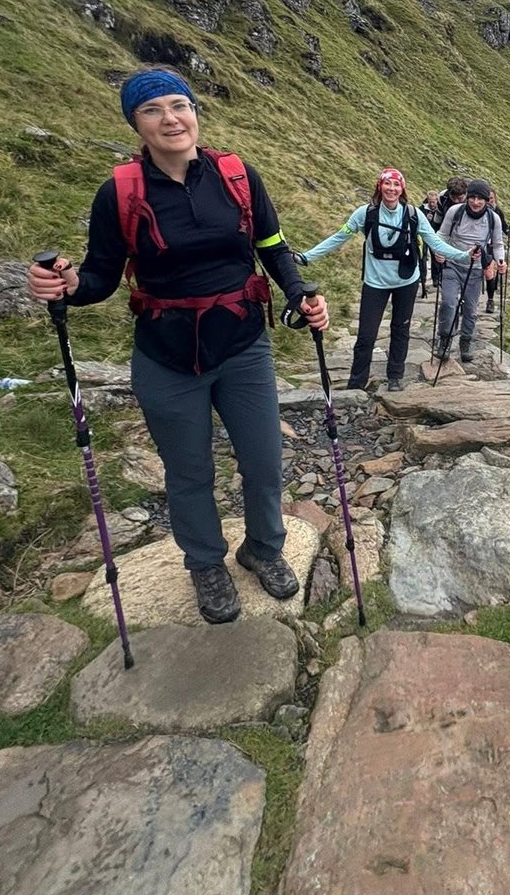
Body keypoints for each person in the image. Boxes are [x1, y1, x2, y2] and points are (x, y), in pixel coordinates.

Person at [27, 67, 328, 626]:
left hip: (242, 346)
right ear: (135, 124)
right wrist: (67, 286)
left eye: (179, 105)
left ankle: (264, 548)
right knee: (188, 471)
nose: (170, 119)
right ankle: (205, 563)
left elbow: (272, 245)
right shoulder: (120, 193)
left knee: (264, 461)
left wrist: (301, 293)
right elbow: (99, 277)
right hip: (165, 355)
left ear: (194, 112)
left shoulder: (237, 176)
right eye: (152, 110)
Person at [302, 168, 474, 393]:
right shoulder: (364, 214)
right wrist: (306, 257)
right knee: (366, 335)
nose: (391, 189)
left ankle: (395, 377)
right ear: (379, 186)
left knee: (400, 330)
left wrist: (464, 256)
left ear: (402, 189)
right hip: (375, 283)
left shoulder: (413, 214)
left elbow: (435, 242)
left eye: (396, 185)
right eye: (387, 184)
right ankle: (356, 383)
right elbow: (339, 237)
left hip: (407, 282)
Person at [437, 179, 506, 363]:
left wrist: (501, 261)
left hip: (475, 269)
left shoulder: (493, 219)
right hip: (452, 264)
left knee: (470, 309)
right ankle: (444, 339)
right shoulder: (455, 212)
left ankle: (466, 341)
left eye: (480, 198)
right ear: (467, 197)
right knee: (449, 303)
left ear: (486, 200)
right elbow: (442, 235)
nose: (475, 202)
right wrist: (438, 251)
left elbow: (498, 244)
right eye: (472, 197)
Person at [484, 189, 510, 314]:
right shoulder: (478, 211)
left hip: (492, 244)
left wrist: (508, 231)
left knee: (489, 272)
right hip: (479, 245)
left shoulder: (497, 211)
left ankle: (490, 300)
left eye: (491, 198)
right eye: (487, 198)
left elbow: (503, 225)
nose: (489, 200)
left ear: (495, 198)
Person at [419, 188, 443, 294]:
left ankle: (436, 278)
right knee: (423, 257)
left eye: (434, 202)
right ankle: (422, 277)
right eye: (430, 202)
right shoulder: (422, 209)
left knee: (436, 257)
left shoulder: (440, 210)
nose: (432, 204)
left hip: (435, 236)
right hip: (424, 236)